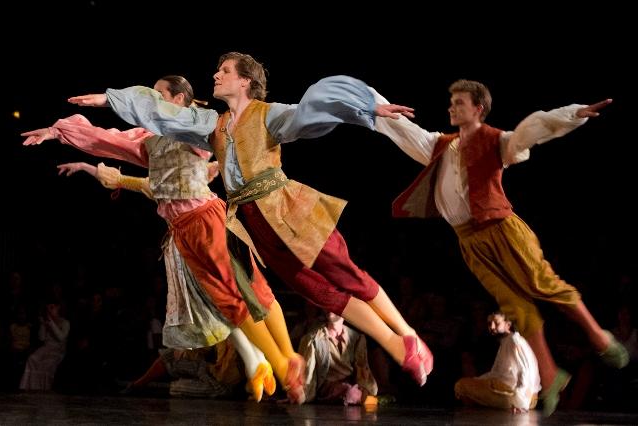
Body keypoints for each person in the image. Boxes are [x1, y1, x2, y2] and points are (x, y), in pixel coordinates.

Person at [64, 52, 433, 387]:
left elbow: (311, 109)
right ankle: (398, 347)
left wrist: (364, 107)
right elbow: (167, 114)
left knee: (344, 273)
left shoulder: (268, 114)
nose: (216, 74)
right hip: (254, 221)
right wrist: (109, 100)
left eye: (224, 71)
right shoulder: (213, 124)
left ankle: (407, 333)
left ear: (245, 81)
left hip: (288, 209)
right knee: (319, 293)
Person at [21, 75, 304, 403]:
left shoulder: (195, 127)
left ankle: (283, 360)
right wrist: (57, 132)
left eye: (158, 94)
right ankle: (277, 362)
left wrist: (110, 98)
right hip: (183, 230)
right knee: (228, 301)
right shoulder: (149, 140)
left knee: (247, 290)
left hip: (206, 218)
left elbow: (228, 135)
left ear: (179, 99)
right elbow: (107, 139)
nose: (151, 100)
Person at [371, 78, 629, 415]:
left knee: (542, 283)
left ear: (478, 109)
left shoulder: (495, 141)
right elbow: (403, 129)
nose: (452, 107)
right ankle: (550, 375)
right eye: (451, 101)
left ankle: (599, 337)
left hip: (501, 228)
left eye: (459, 102)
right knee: (514, 305)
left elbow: (532, 129)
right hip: (470, 241)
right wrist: (368, 102)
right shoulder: (439, 146)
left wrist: (573, 114)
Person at [56, 160, 276, 402]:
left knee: (222, 309)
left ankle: (256, 360)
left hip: (200, 250)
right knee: (222, 310)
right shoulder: (172, 183)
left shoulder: (168, 184)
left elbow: (120, 180)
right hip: (204, 246)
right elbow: (119, 179)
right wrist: (84, 167)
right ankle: (256, 360)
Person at [455, 311, 540, 414]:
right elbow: (495, 373)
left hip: (522, 397)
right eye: (489, 323)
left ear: (508, 324)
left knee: (461, 385)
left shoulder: (514, 340)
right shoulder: (506, 341)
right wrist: (476, 380)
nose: (492, 327)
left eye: (496, 323)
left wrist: (522, 403)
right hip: (514, 393)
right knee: (467, 384)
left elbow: (525, 370)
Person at [298, 311, 378, 406]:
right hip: (328, 387)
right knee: (350, 393)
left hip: (351, 384)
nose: (331, 309)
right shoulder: (314, 339)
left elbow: (362, 367)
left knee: (366, 390)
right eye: (328, 305)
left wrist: (366, 388)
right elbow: (308, 372)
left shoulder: (356, 338)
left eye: (335, 306)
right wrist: (302, 394)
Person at [20, 299, 70, 390]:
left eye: (52, 308)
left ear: (58, 307)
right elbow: (42, 338)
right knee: (32, 359)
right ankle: (31, 387)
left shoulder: (65, 322)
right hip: (46, 347)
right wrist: (43, 325)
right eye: (48, 309)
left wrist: (52, 323)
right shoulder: (47, 322)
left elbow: (61, 337)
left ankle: (44, 388)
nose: (50, 311)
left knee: (47, 364)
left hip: (57, 349)